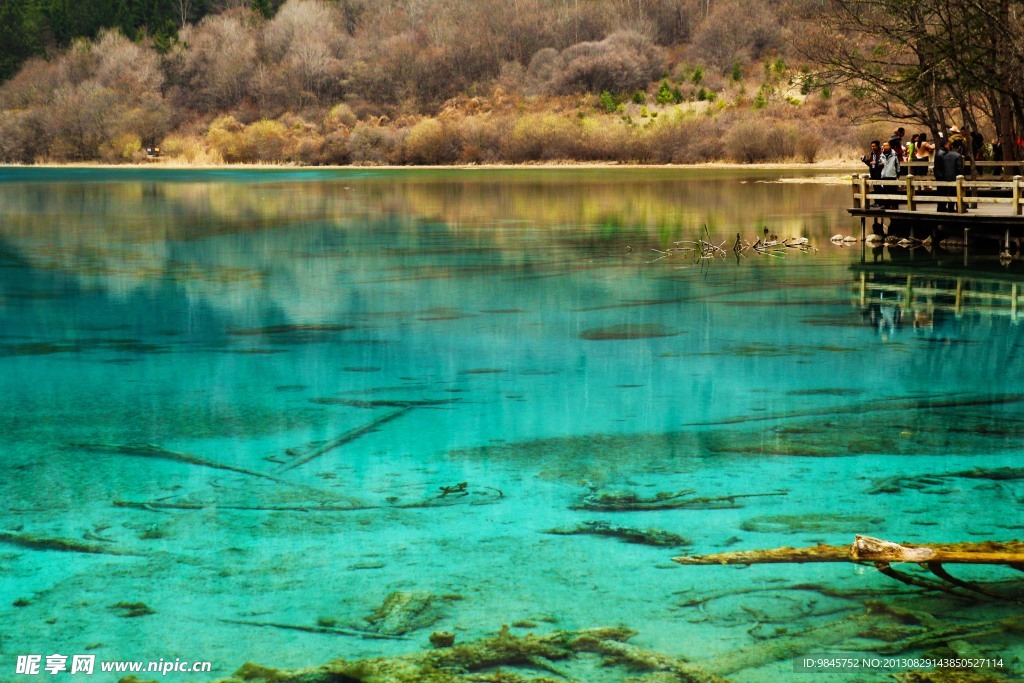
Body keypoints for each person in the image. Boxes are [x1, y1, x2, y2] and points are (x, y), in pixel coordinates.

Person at [939, 139, 965, 212]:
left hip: (947, 177)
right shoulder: (958, 156)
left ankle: (950, 208)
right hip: (956, 177)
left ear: (952, 146)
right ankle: (960, 208)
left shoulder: (946, 155)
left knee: (950, 193)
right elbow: (959, 168)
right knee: (958, 193)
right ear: (959, 147)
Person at [861, 140, 883, 206]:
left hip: (879, 172)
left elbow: (882, 163)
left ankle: (881, 202)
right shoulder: (872, 153)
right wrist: (865, 161)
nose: (873, 147)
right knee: (875, 188)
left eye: (874, 146)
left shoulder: (881, 153)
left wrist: (876, 163)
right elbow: (870, 163)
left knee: (879, 188)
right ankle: (876, 202)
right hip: (873, 172)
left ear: (877, 146)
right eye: (871, 146)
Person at [879, 140, 900, 208]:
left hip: (892, 175)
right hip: (884, 175)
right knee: (885, 191)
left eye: (886, 145)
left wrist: (897, 174)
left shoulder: (894, 155)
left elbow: (897, 165)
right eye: (883, 146)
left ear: (889, 146)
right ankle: (886, 205)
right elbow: (879, 165)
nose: (884, 147)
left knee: (893, 191)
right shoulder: (881, 155)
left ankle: (894, 205)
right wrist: (879, 165)